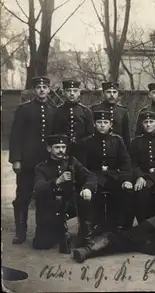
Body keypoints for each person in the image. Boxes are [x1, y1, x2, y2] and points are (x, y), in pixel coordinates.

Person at [8, 76, 57, 244]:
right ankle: (20, 232)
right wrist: (16, 159)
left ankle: (43, 231)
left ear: (49, 89)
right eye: (38, 87)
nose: (42, 90)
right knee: (23, 197)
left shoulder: (53, 110)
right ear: (34, 90)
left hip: (45, 164)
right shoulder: (24, 109)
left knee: (45, 197)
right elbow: (15, 136)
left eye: (45, 87)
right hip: (27, 162)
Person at [32, 134, 97, 252]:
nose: (61, 150)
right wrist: (56, 181)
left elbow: (90, 176)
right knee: (41, 244)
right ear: (49, 149)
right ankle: (58, 231)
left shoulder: (71, 162)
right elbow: (38, 188)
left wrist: (88, 188)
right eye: (57, 147)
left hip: (69, 203)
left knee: (84, 199)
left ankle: (86, 236)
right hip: (49, 206)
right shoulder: (41, 167)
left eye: (63, 147)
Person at [76, 110, 135, 232]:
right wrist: (86, 183)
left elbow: (125, 162)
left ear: (110, 125)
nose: (102, 125)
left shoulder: (117, 140)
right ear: (94, 124)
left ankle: (123, 228)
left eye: (105, 122)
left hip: (113, 176)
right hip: (93, 177)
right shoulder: (86, 142)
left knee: (127, 192)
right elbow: (82, 166)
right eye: (99, 122)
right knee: (89, 195)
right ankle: (88, 229)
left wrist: (126, 179)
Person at [53, 79, 94, 153]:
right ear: (64, 92)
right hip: (62, 150)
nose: (72, 94)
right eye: (69, 91)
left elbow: (90, 134)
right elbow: (55, 132)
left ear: (79, 93)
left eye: (75, 91)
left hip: (82, 150)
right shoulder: (57, 111)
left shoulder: (86, 111)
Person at [91, 81, 131, 149]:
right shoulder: (94, 109)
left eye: (114, 92)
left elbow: (126, 135)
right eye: (108, 92)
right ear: (103, 93)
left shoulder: (123, 111)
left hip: (118, 148)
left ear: (118, 94)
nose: (112, 95)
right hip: (98, 147)